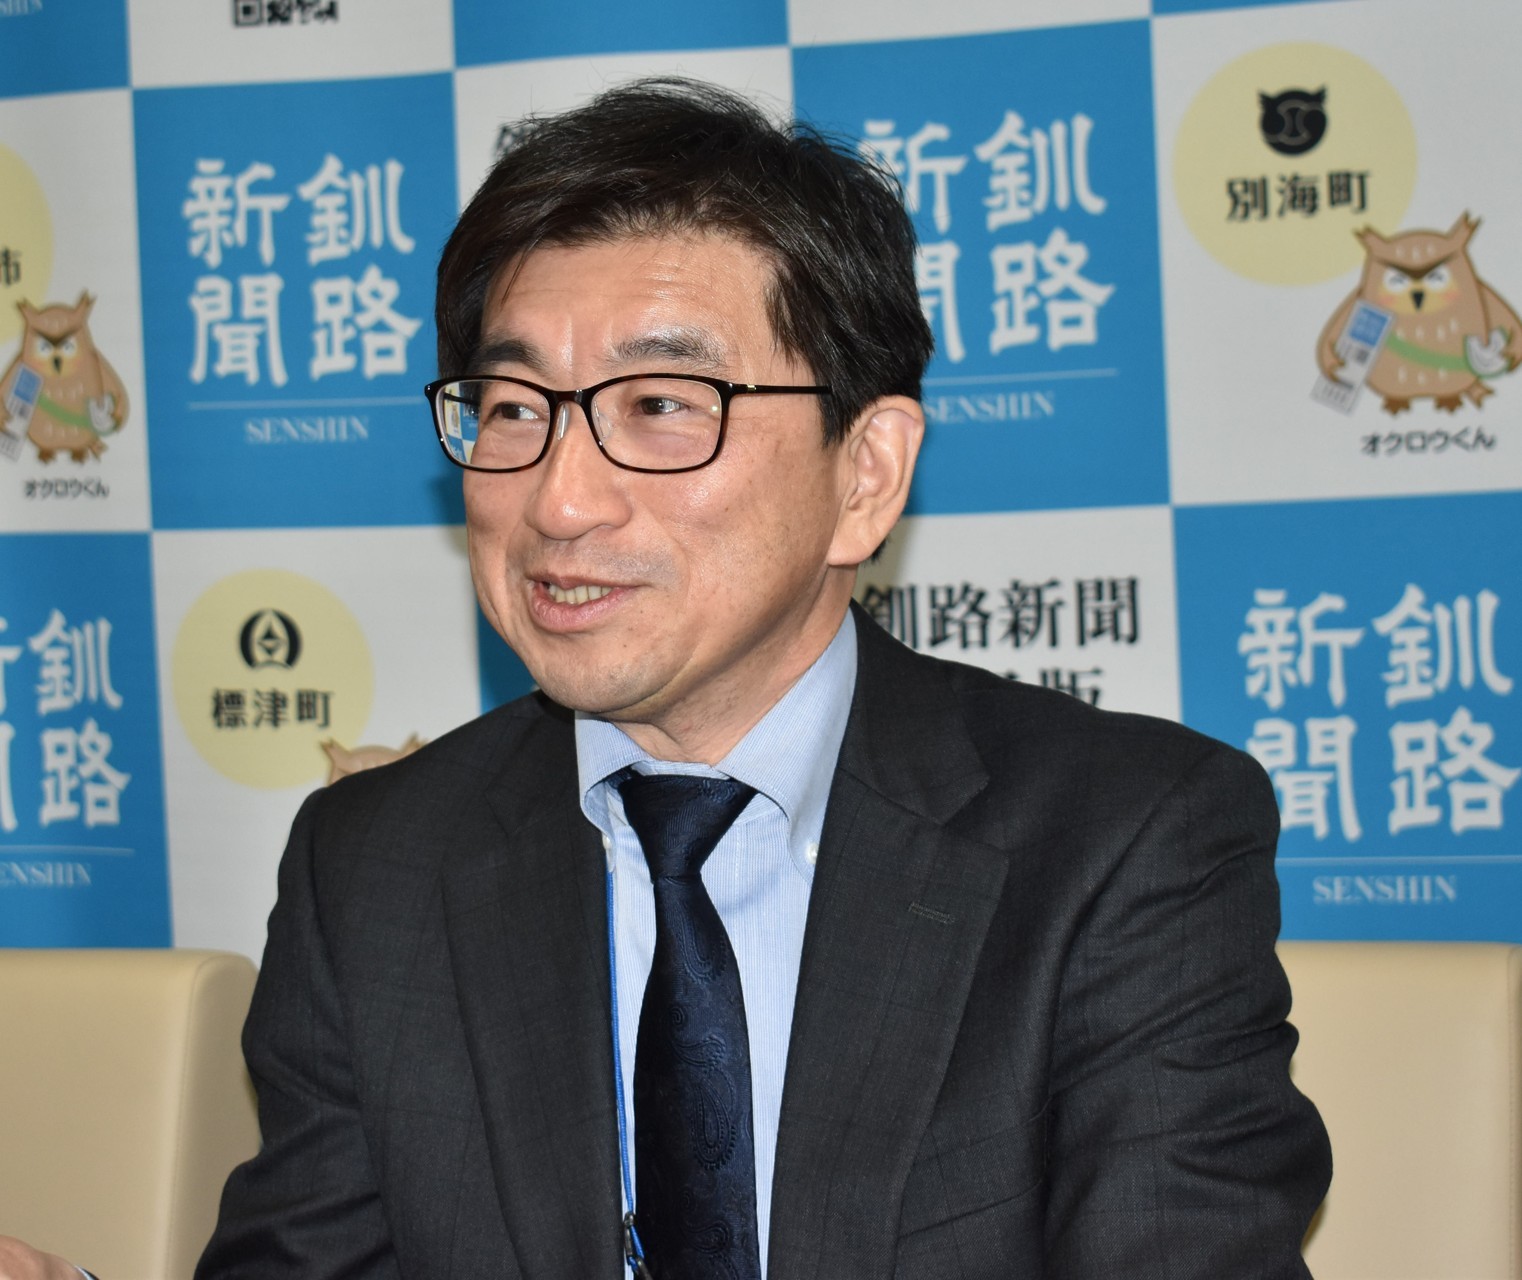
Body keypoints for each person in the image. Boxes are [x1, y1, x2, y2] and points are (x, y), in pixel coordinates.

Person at [2, 78, 1330, 1280]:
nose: (559, 499)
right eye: (512, 409)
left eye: (659, 406)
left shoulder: (1119, 840)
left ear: (864, 476)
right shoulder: (378, 866)